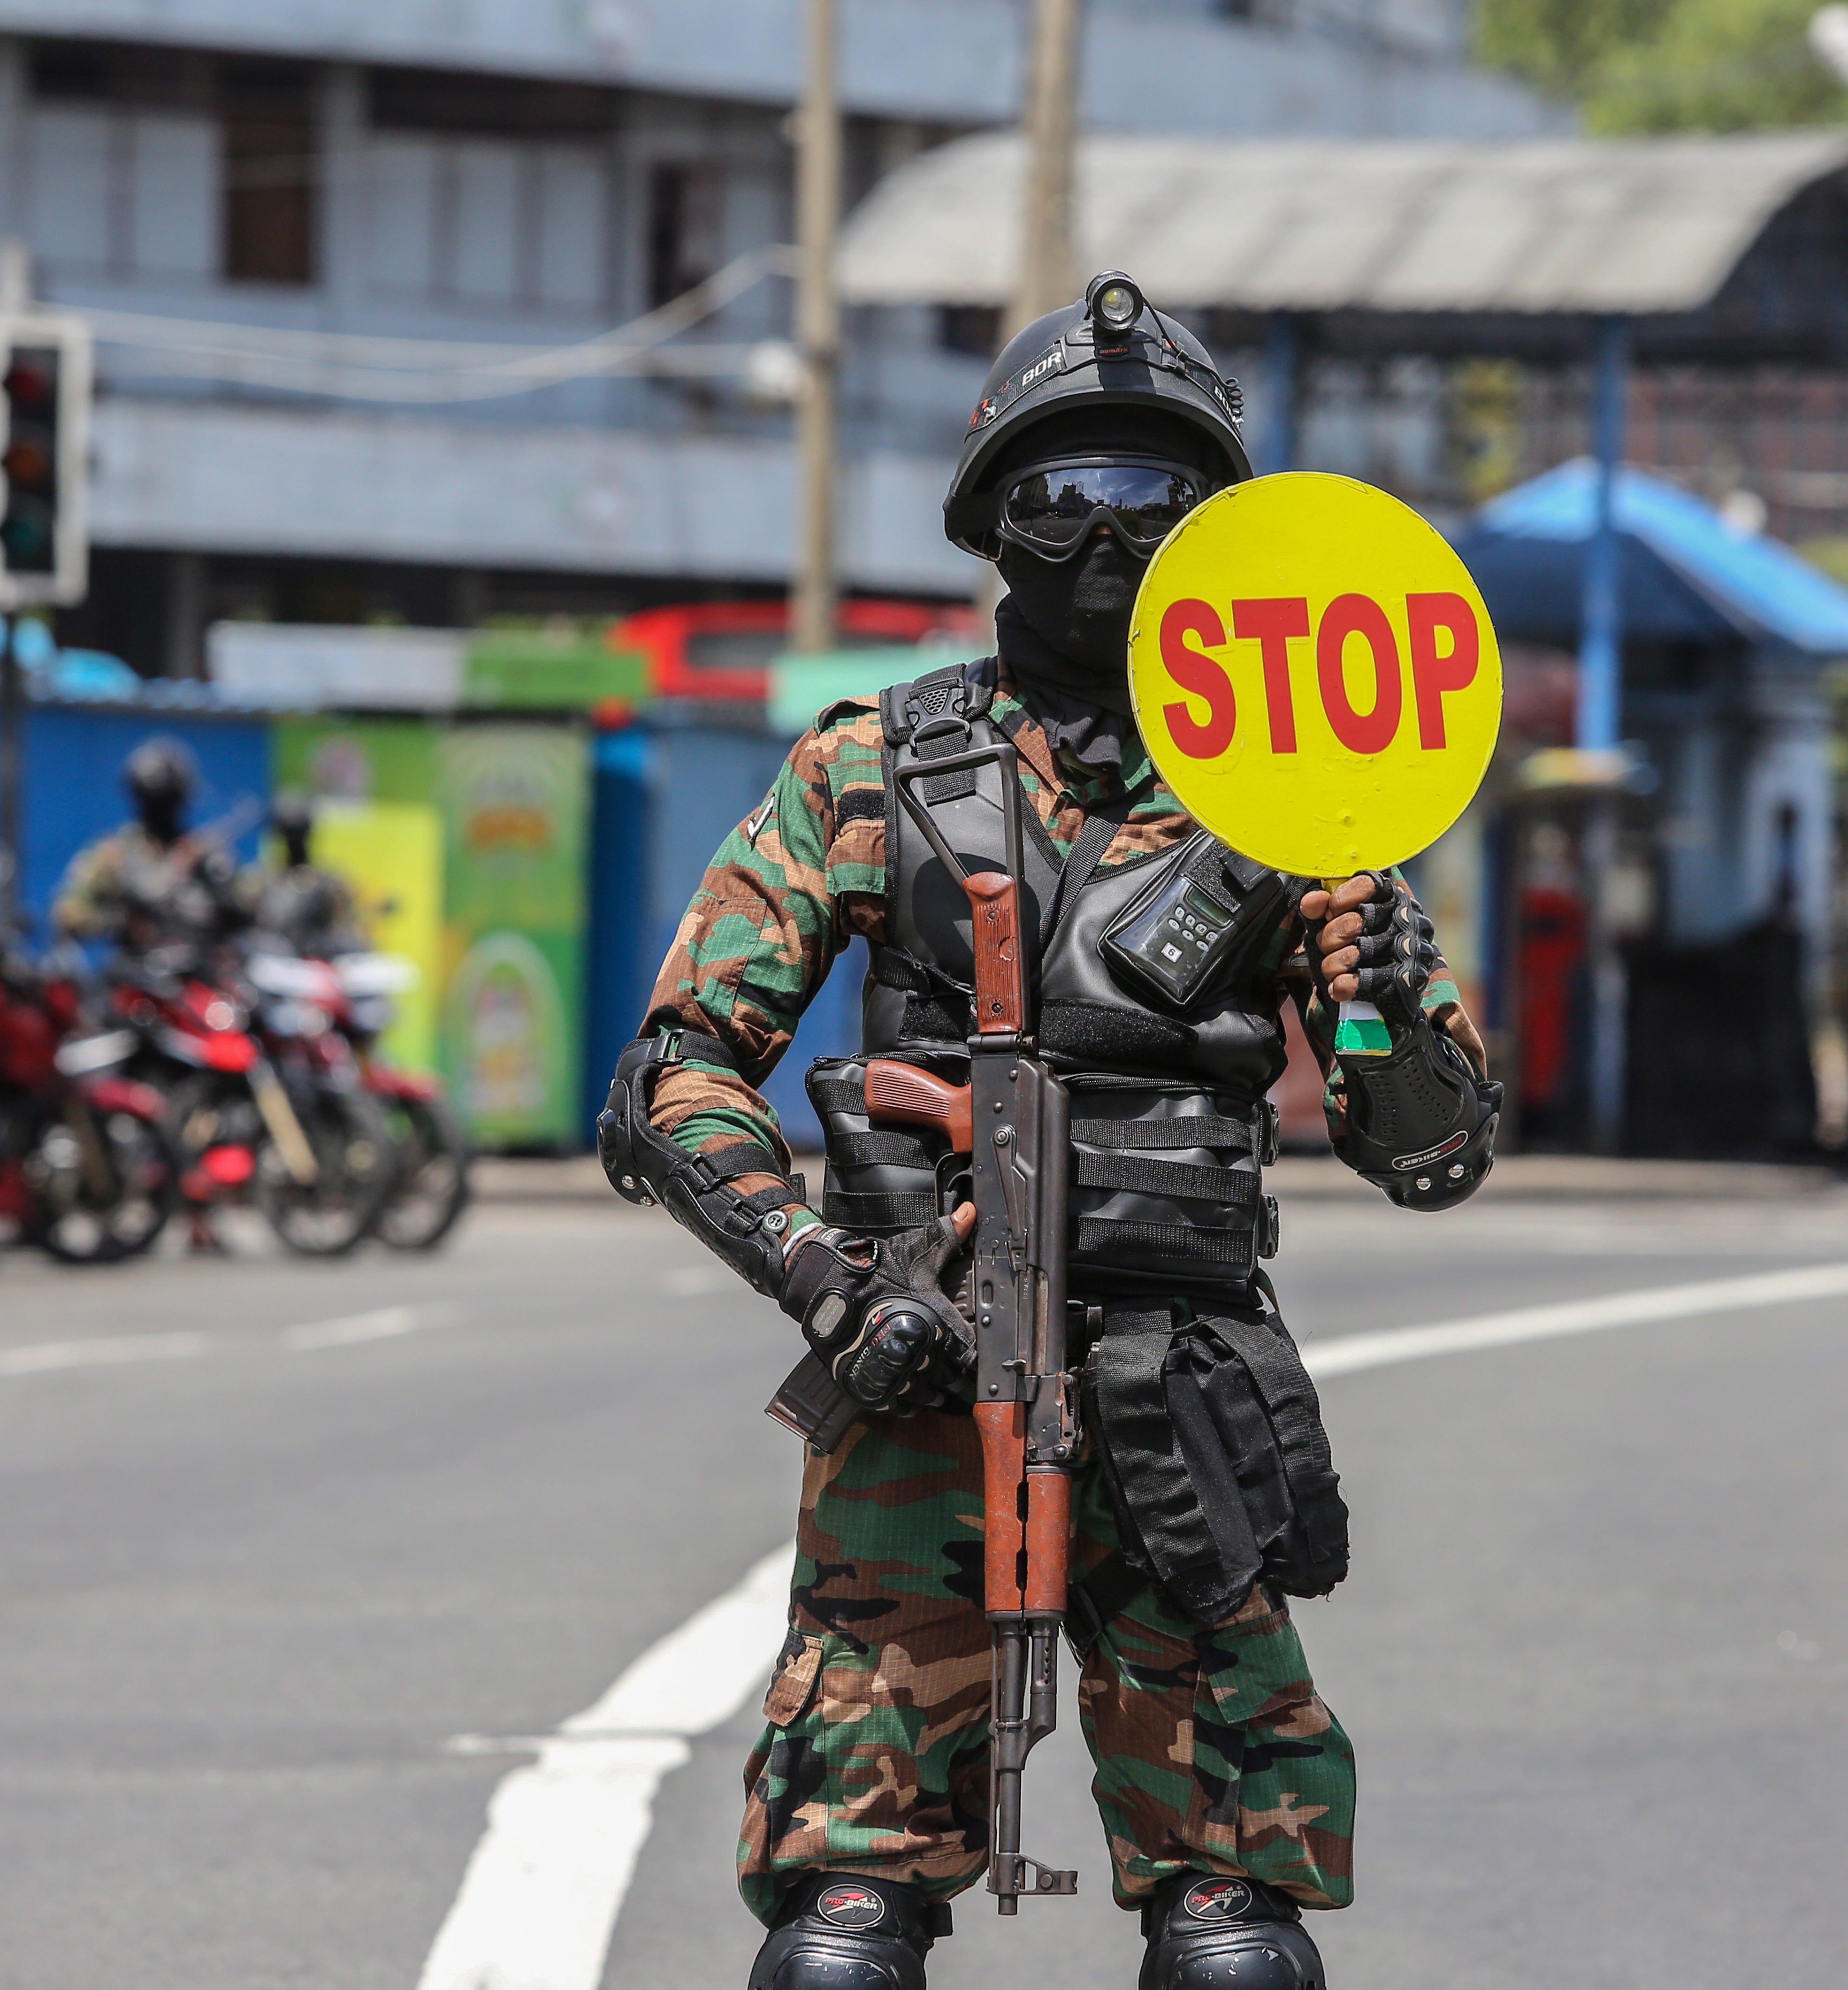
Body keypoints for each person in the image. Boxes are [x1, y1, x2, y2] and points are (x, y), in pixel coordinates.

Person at [597, 275, 1503, 1990]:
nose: (1103, 538)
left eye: (1152, 502)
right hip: (922, 1389)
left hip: (1186, 1401)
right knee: (838, 1933)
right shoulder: (875, 768)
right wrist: (825, 1284)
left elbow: (1427, 1148)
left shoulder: (1303, 786)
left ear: (1217, 541)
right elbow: (672, 1067)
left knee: (1233, 1932)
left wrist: (1377, 993)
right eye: (1057, 496)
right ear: (988, 525)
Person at [52, 736, 244, 964]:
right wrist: (121, 922)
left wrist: (221, 886)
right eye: (156, 801)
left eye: (170, 800)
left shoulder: (206, 853)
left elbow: (249, 913)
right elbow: (68, 912)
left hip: (204, 976)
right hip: (138, 979)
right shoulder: (114, 855)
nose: (164, 811)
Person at [253, 792, 364, 957]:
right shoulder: (265, 881)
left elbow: (344, 923)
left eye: (298, 832)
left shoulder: (327, 882)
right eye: (290, 833)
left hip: (319, 959)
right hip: (278, 960)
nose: (295, 839)